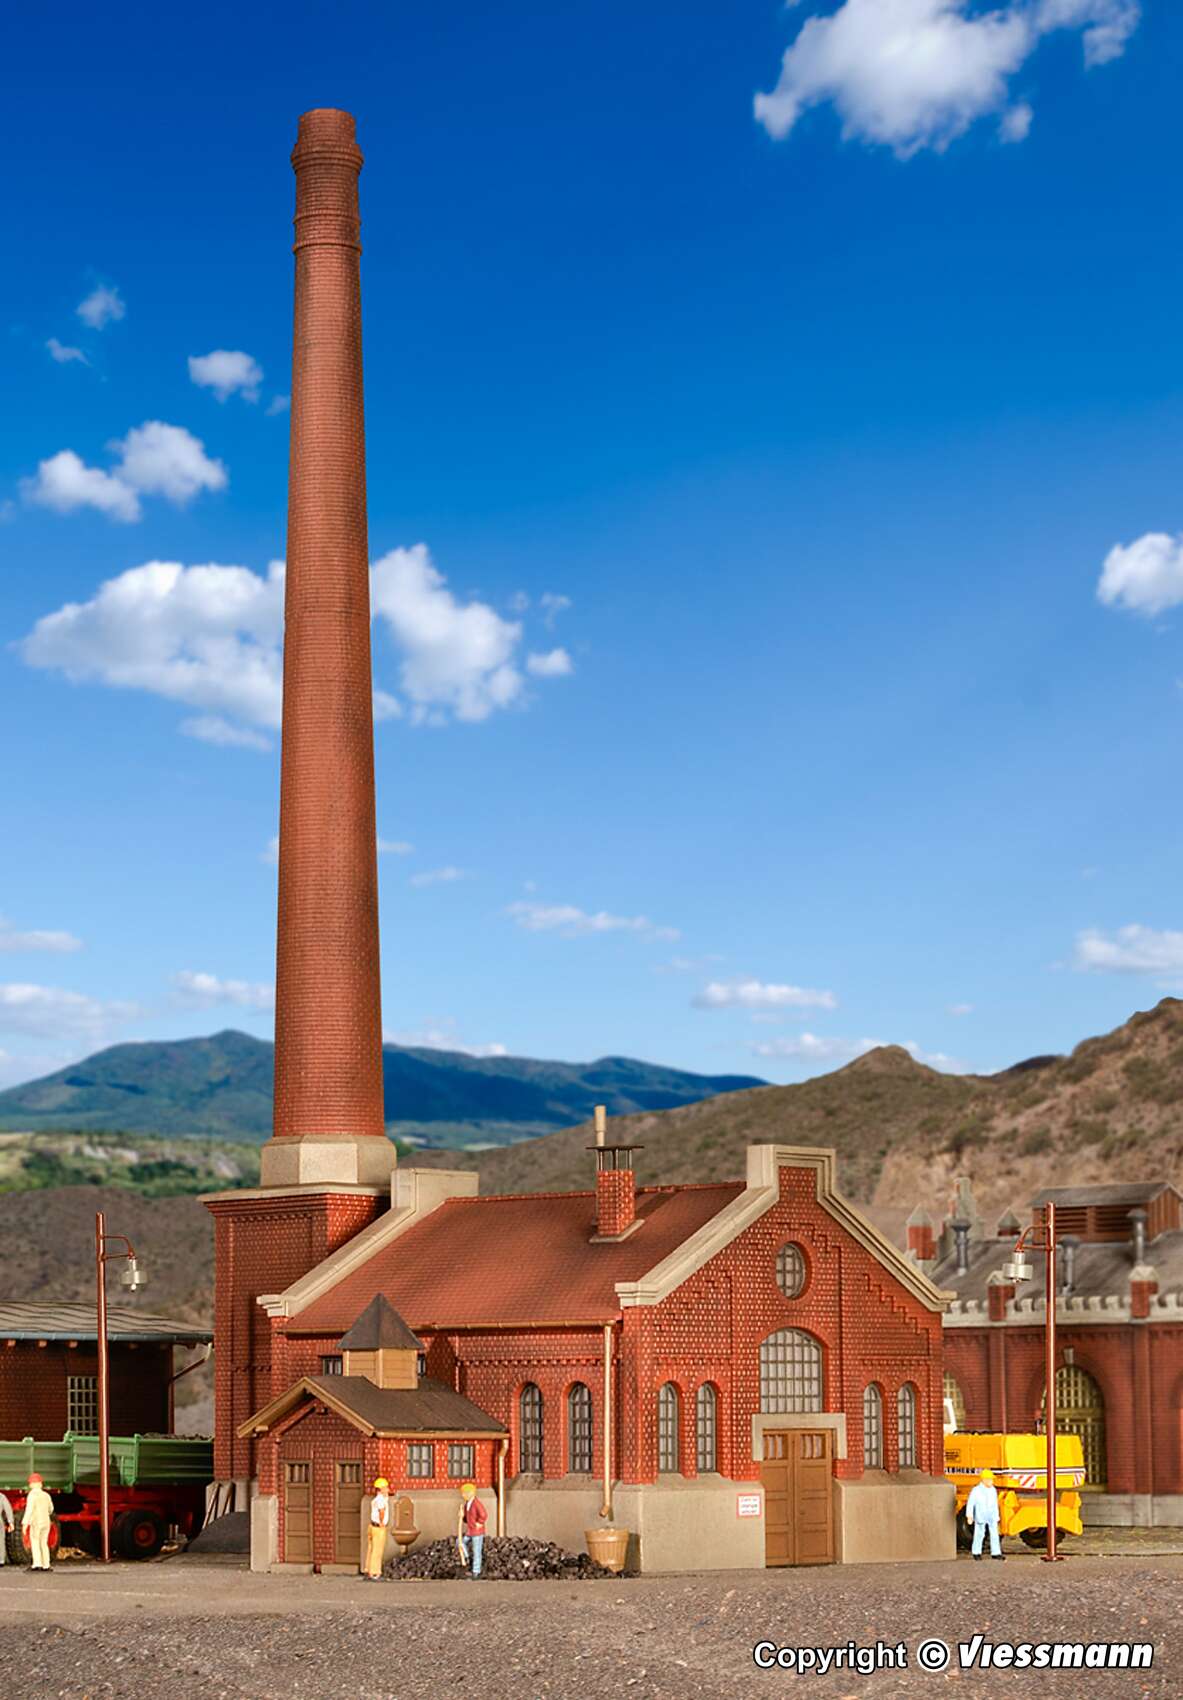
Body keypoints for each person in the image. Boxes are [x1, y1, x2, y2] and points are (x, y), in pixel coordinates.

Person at [965, 1467, 1004, 1561]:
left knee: (994, 1534)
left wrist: (997, 1515)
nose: (992, 1481)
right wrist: (969, 1515)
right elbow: (971, 1503)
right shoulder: (976, 1490)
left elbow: (995, 1504)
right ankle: (976, 1552)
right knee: (979, 1534)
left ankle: (996, 1552)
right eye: (990, 1479)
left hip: (992, 1515)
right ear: (984, 1480)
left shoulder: (993, 1490)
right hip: (981, 1515)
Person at [22, 1475, 54, 1573]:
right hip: (46, 1522)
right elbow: (51, 1509)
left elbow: (29, 1510)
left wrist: (25, 1523)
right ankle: (46, 1565)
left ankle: (37, 1564)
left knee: (35, 1542)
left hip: (36, 1522)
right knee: (44, 1543)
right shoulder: (46, 1495)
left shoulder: (32, 1495)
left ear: (33, 1484)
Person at [458, 1481, 487, 1578]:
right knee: (460, 1542)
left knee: (476, 1551)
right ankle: (467, 1558)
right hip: (470, 1531)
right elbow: (467, 1518)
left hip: (477, 1532)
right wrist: (462, 1517)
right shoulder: (467, 1504)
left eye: (464, 1493)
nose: (463, 1495)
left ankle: (476, 1571)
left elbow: (483, 1514)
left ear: (471, 1493)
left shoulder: (476, 1503)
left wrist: (480, 1522)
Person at [363, 1477, 389, 1579]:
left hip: (372, 1526)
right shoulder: (380, 1500)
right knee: (377, 1550)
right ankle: (375, 1572)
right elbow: (381, 1511)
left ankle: (368, 1569)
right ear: (381, 1489)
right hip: (378, 1528)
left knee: (370, 1549)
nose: (387, 1489)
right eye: (385, 1487)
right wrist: (382, 1522)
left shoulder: (376, 1499)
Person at [0, 1490, 13, 1565]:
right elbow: (8, 1509)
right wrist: (10, 1522)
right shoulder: (1, 1496)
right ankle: (1, 1560)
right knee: (0, 1540)